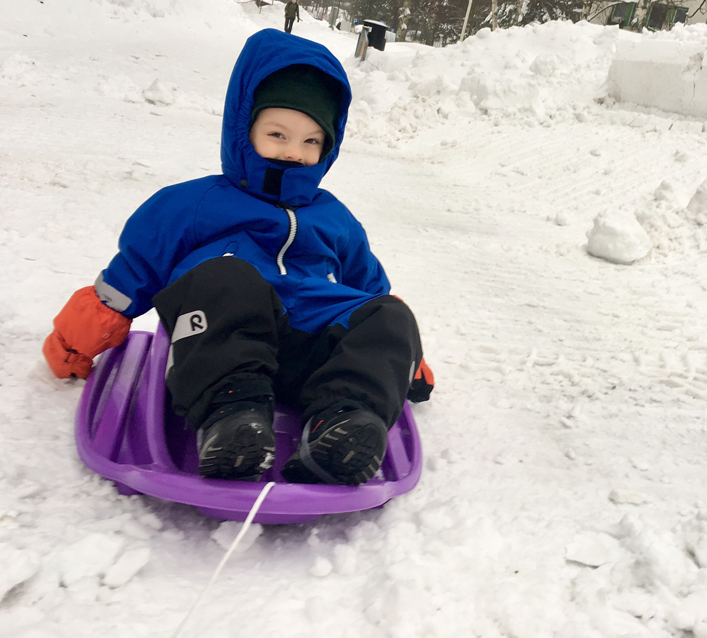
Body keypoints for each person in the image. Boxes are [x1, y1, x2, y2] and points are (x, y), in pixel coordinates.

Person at [42, 29, 434, 485]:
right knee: (228, 277)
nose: (294, 152)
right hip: (220, 340)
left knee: (391, 312)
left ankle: (344, 424)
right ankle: (234, 418)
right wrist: (74, 344)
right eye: (277, 134)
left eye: (312, 142)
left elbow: (371, 293)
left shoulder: (337, 219)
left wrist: (404, 358)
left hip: (312, 353)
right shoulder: (194, 203)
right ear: (242, 129)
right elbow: (127, 277)